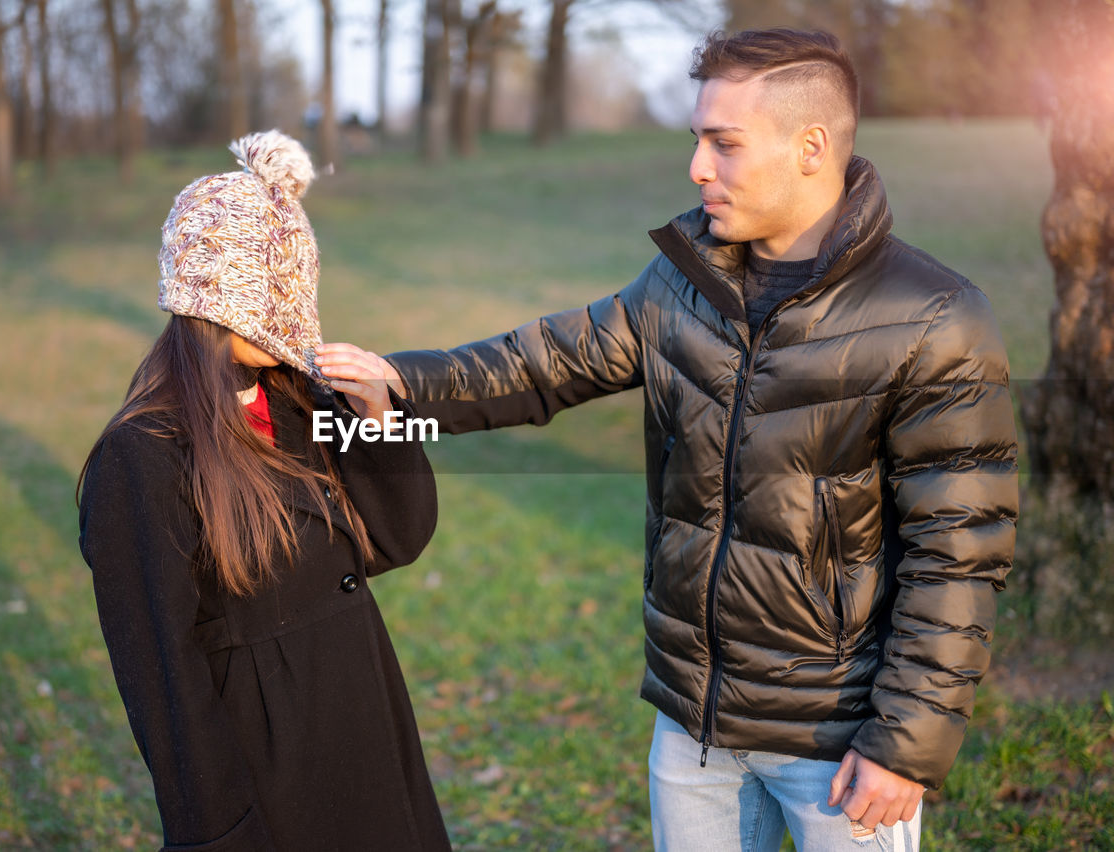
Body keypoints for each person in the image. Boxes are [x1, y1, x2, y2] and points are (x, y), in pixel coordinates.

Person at [317, 28, 1018, 852]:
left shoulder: (936, 317)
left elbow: (959, 551)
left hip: (841, 738)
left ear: (811, 147)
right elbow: (543, 363)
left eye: (724, 144)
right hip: (695, 725)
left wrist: (903, 744)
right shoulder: (684, 283)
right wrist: (400, 385)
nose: (697, 167)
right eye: (697, 140)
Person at [78, 131, 450, 852]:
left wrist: (382, 422)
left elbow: (399, 537)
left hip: (364, 723)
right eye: (275, 289)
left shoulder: (302, 401)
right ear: (219, 292)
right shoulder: (143, 456)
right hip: (270, 769)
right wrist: (219, 831)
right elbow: (163, 678)